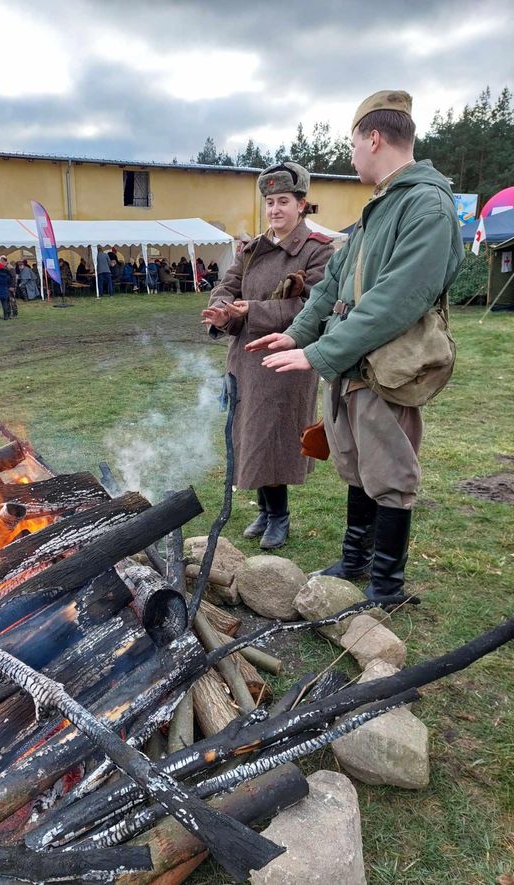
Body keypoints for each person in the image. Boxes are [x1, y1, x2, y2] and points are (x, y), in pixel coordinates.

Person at [248, 90, 464, 600]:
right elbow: (332, 284)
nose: (350, 155)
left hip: (387, 364)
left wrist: (318, 353)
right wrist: (299, 331)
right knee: (358, 465)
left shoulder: (426, 205)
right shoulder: (379, 206)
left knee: (388, 471)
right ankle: (355, 561)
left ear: (373, 137)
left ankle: (386, 586)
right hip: (355, 365)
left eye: (352, 143)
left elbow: (395, 299)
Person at [202, 161, 334, 549]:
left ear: (302, 205)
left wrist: (252, 311)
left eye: (283, 201)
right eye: (270, 202)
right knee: (250, 437)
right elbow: (226, 287)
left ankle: (280, 516)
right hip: (244, 361)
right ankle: (264, 510)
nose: (275, 210)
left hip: (285, 361)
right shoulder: (251, 250)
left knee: (275, 438)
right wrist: (222, 311)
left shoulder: (316, 252)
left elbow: (313, 309)